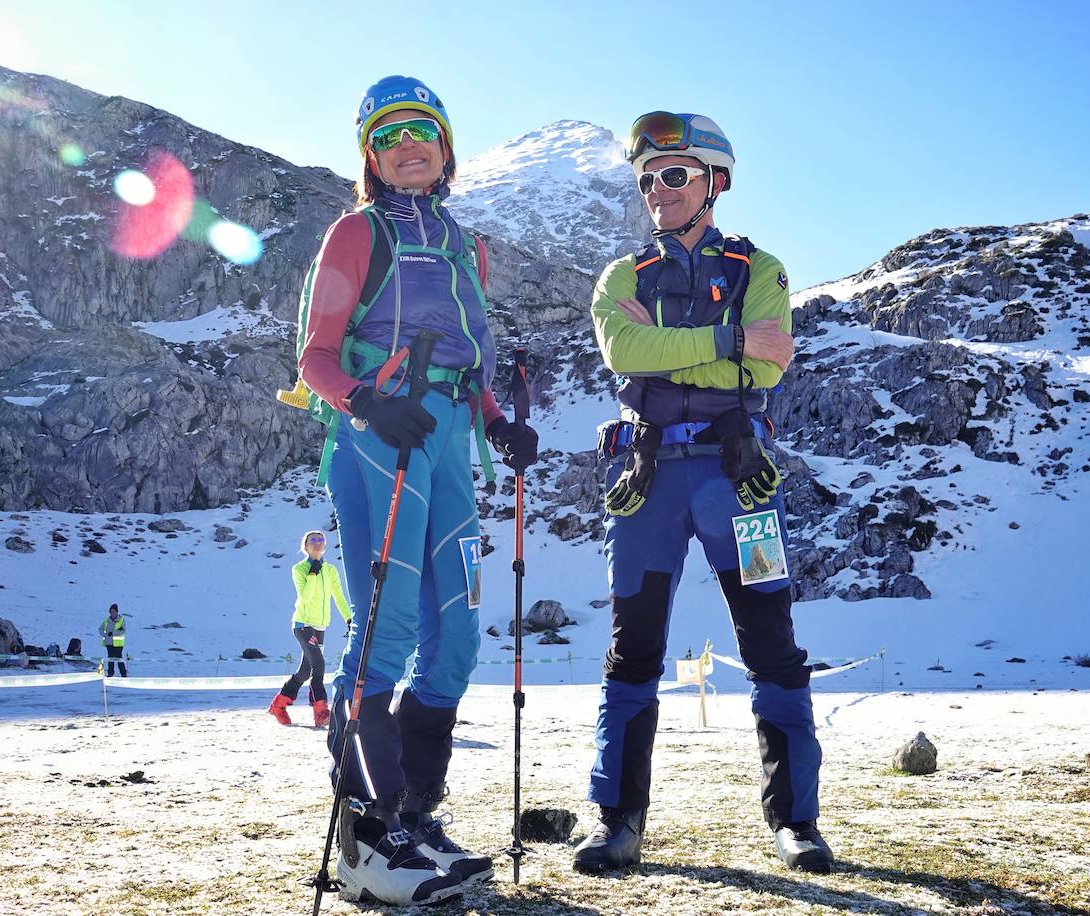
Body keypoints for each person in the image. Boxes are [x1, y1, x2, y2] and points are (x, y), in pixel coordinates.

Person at [298, 74, 537, 906]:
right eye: (389, 136)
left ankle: (415, 816)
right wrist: (366, 401)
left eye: (422, 133)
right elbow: (315, 357)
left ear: (444, 147)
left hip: (448, 446)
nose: (408, 147)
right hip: (377, 442)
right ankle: (368, 836)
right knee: (387, 627)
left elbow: (468, 358)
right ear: (370, 154)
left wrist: (498, 422)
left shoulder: (464, 243)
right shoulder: (354, 233)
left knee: (459, 637)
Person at [573, 111, 833, 874]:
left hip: (736, 478)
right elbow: (625, 349)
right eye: (648, 179)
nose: (658, 189)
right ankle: (618, 822)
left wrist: (672, 358)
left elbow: (774, 361)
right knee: (632, 653)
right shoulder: (622, 277)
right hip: (648, 481)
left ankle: (797, 823)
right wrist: (726, 344)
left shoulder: (762, 269)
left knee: (773, 648)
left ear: (716, 181)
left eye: (675, 175)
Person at [268, 530, 351, 728]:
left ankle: (278, 705)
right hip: (303, 624)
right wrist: (313, 573)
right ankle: (320, 711)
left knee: (305, 671)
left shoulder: (331, 570)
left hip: (320, 625)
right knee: (319, 666)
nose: (317, 543)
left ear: (325, 546)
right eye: (312, 540)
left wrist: (349, 618)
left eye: (321, 540)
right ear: (305, 546)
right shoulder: (299, 569)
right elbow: (305, 598)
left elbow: (338, 596)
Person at [99, 603, 127, 678]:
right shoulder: (106, 620)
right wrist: (104, 635)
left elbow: (123, 631)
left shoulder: (121, 620)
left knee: (118, 658)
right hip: (109, 643)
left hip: (118, 644)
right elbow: (100, 629)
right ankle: (110, 673)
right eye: (111, 611)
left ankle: (123, 674)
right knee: (110, 658)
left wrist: (113, 633)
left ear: (117, 612)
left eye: (113, 611)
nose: (112, 613)